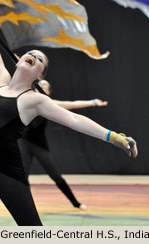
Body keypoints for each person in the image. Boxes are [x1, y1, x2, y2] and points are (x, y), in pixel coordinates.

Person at [0, 0, 137, 226]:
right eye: (31, 54)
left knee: (34, 231)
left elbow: (74, 119)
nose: (34, 56)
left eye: (39, 59)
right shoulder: (1, 82)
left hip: (6, 173)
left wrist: (112, 137)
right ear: (18, 61)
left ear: (39, 76)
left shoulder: (34, 100)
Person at [20, 79, 108, 210]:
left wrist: (93, 102)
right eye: (39, 85)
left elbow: (72, 104)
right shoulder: (27, 102)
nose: (41, 87)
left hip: (40, 146)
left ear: (48, 92)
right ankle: (23, 206)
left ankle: (75, 203)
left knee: (55, 176)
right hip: (24, 143)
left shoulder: (50, 104)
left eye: (44, 86)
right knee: (22, 176)